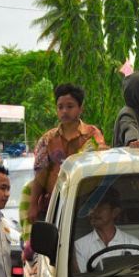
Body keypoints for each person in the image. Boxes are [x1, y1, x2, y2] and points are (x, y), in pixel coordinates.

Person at [26, 83, 106, 224]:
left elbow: (100, 162)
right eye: (60, 107)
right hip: (55, 205)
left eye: (70, 106)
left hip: (86, 204)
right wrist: (32, 205)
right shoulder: (48, 139)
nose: (64, 111)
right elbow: (40, 176)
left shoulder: (92, 134)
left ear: (80, 108)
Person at [74, 188, 139, 272]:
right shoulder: (80, 246)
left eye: (100, 207)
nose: (92, 212)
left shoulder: (133, 243)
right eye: (90, 207)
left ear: (115, 212)